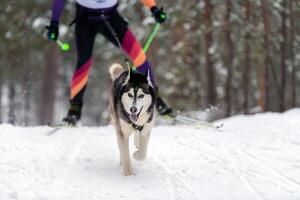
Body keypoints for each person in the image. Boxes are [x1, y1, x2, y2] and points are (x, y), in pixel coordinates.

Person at [47, 0, 172, 126]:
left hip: (111, 17)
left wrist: (154, 8)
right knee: (83, 63)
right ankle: (74, 109)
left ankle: (155, 99)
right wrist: (54, 23)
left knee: (139, 55)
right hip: (85, 19)